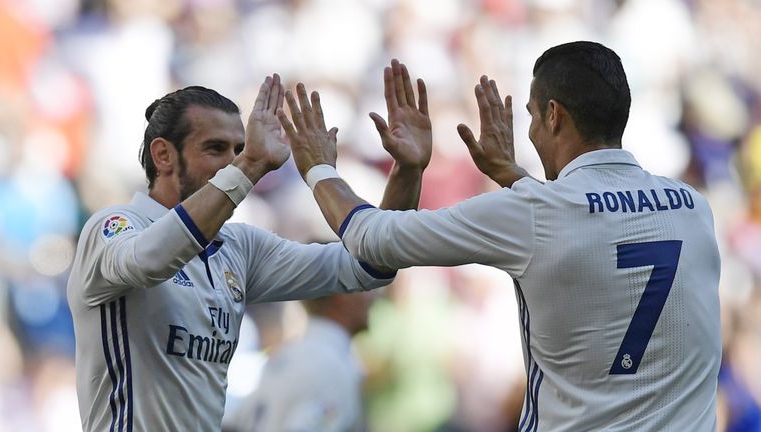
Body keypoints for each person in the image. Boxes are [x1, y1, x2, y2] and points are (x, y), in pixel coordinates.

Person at [279, 42, 722, 431]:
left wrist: (319, 167)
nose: (528, 132)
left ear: (554, 115)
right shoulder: (694, 207)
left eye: (531, 115)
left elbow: (374, 240)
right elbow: (593, 222)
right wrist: (515, 178)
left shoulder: (531, 213)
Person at [67, 64, 431, 432]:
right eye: (215, 149)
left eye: (239, 150)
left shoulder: (240, 247)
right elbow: (148, 262)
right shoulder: (112, 227)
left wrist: (408, 171)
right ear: (163, 155)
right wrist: (250, 164)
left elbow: (367, 265)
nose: (232, 162)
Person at [222, 287, 378, 432]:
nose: (373, 296)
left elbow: (231, 422)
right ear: (343, 297)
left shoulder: (285, 356)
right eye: (365, 286)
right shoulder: (331, 366)